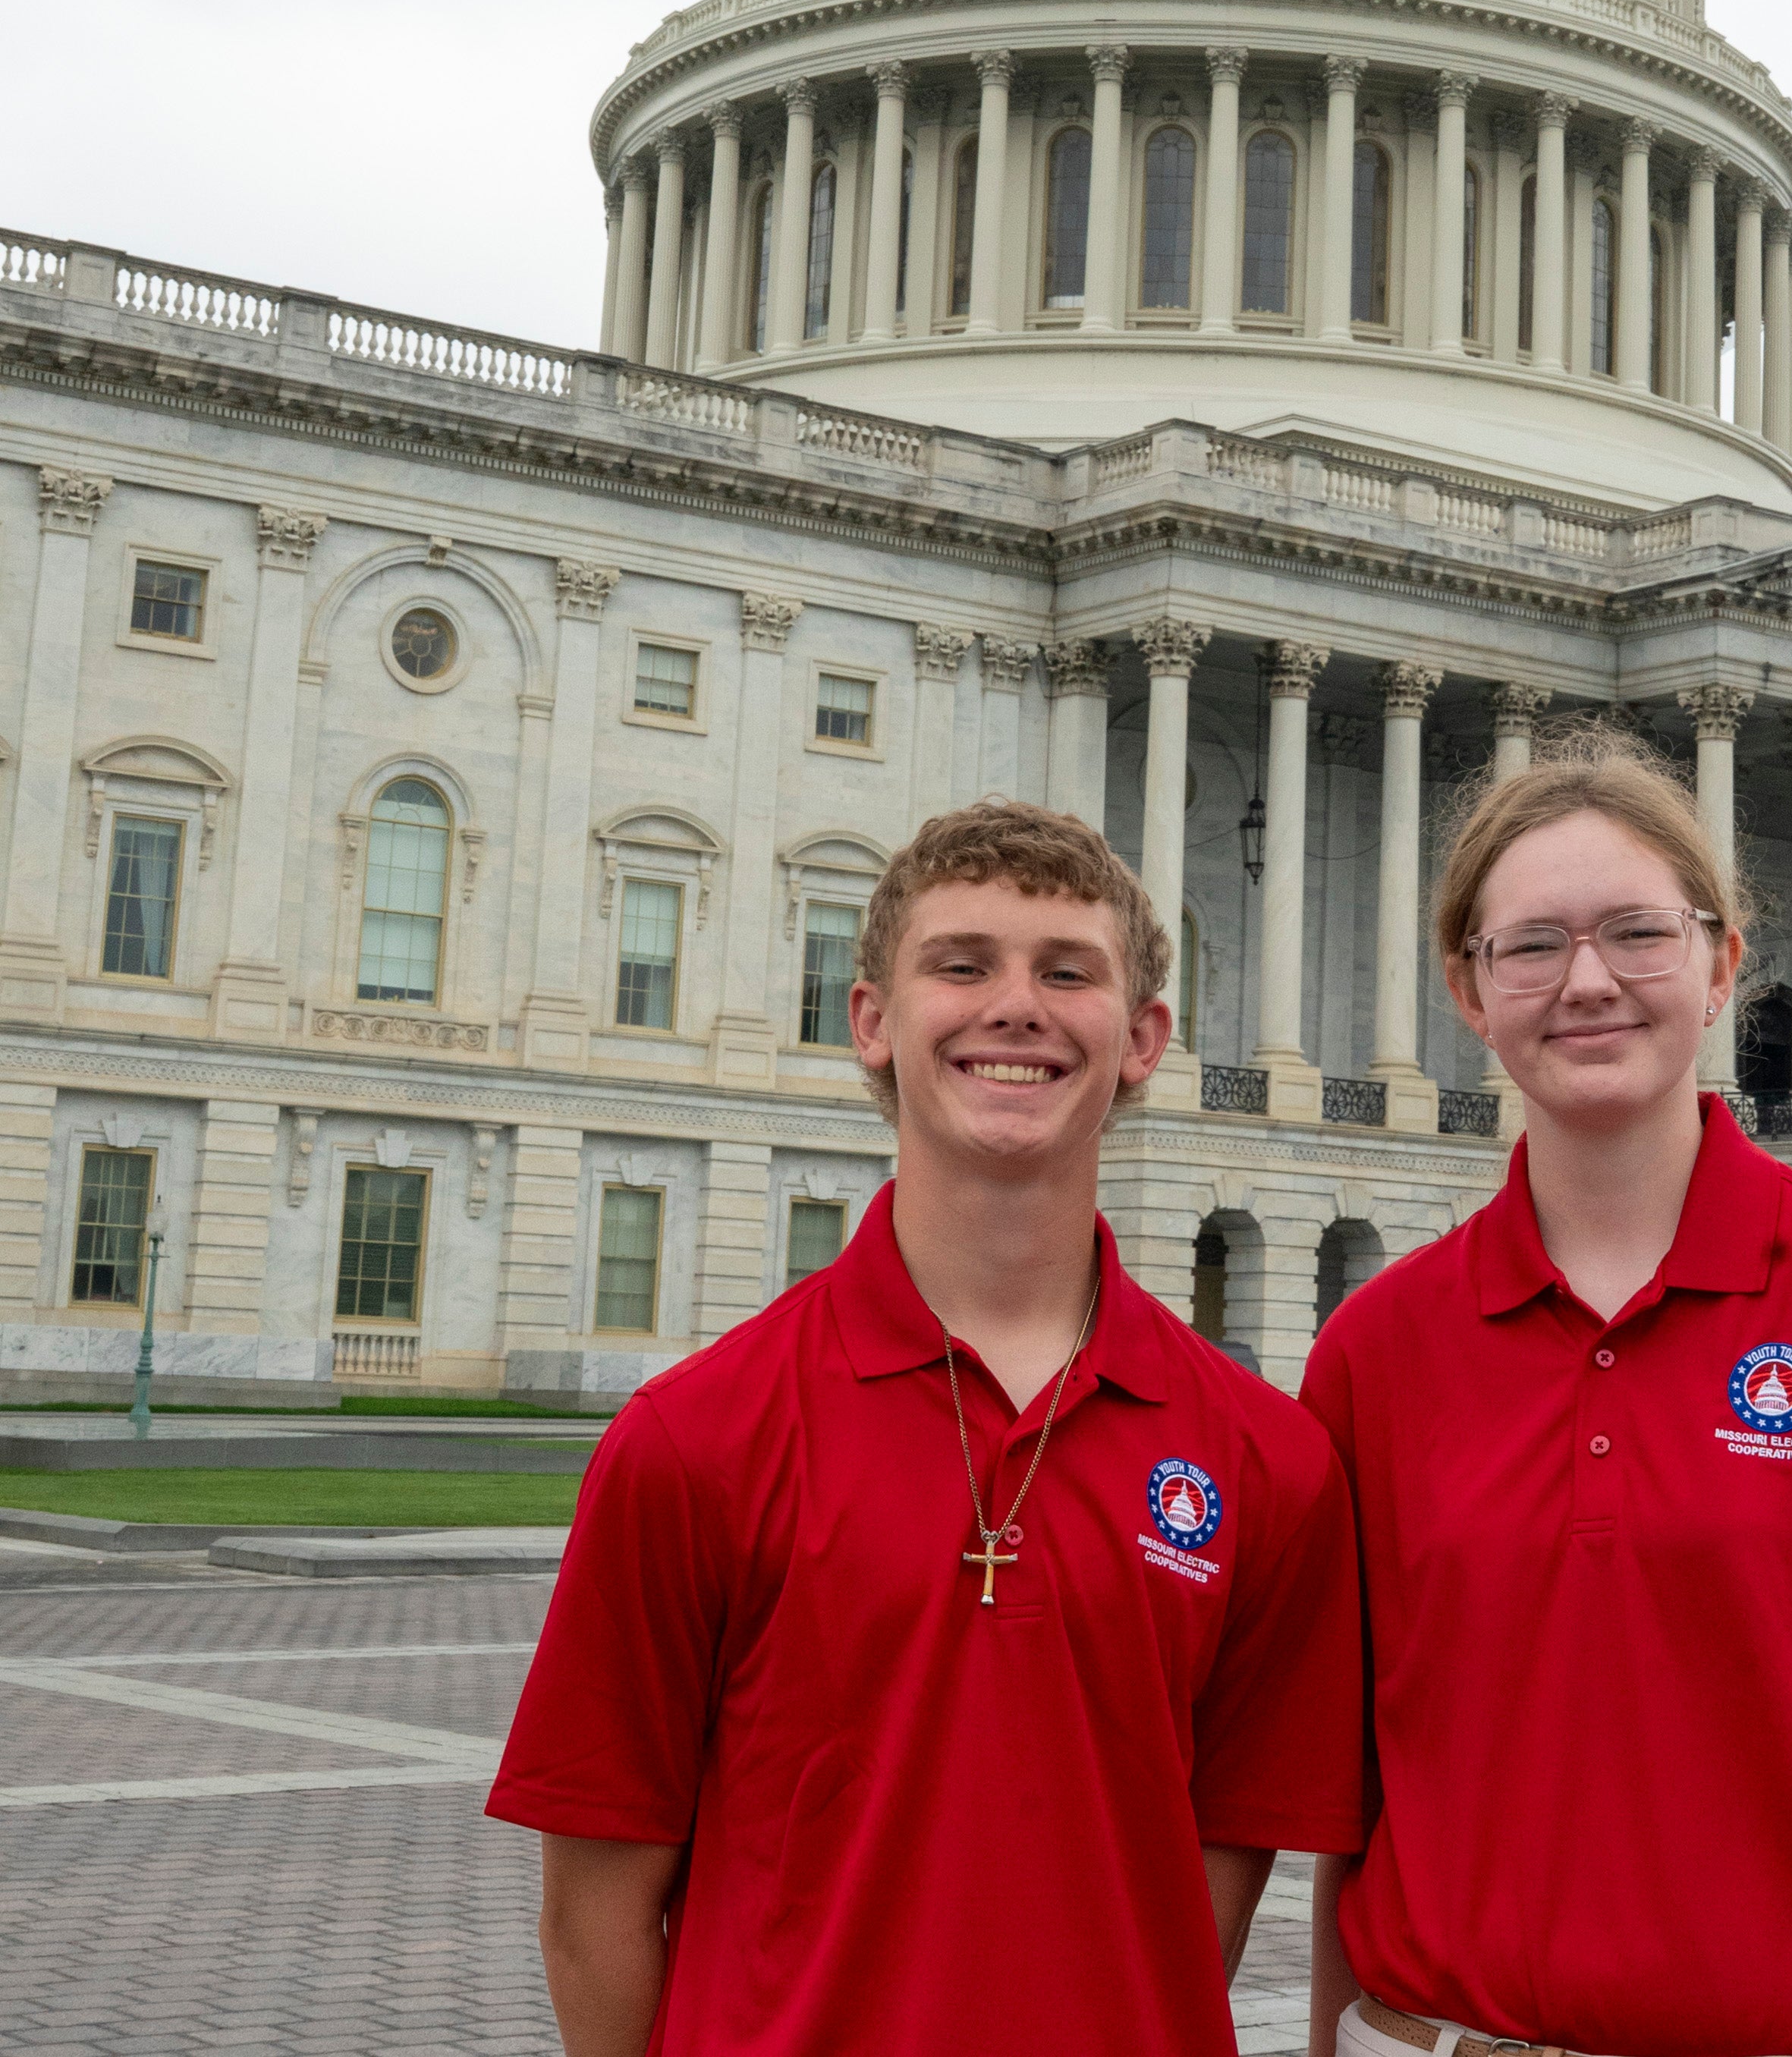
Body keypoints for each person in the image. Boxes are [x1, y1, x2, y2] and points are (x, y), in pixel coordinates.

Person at [489, 800, 1362, 2057]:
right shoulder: (693, 1439)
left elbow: (1209, 1881)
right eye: (962, 964)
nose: (1016, 1005)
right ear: (874, 1021)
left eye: (1067, 971)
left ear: (1142, 1038)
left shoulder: (1268, 1461)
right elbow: (593, 1914)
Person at [1302, 732, 1792, 2057]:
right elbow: (1357, 1816)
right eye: (1530, 944)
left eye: (1637, 934)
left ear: (1721, 966)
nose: (1586, 980)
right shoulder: (1375, 1350)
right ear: (1467, 989)